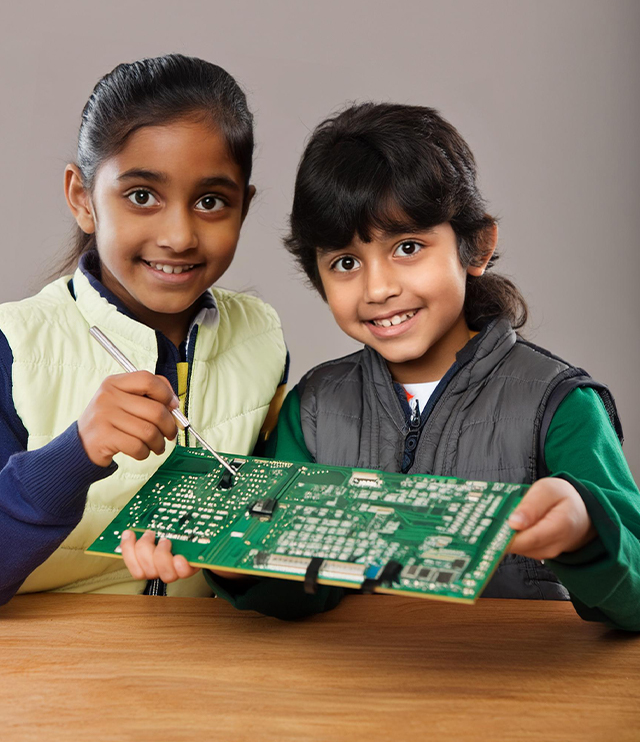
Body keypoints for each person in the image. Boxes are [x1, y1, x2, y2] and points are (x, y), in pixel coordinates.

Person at [190, 102, 639, 628]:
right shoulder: (313, 408)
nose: (379, 288)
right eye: (346, 262)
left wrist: (586, 531)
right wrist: (237, 566)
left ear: (476, 247)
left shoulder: (558, 404)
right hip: (357, 673)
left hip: (513, 674)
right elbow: (292, 592)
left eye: (407, 247)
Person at [0, 54, 287, 605]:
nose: (178, 236)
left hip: (205, 647)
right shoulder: (14, 345)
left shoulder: (261, 336)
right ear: (83, 198)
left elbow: (266, 545)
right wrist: (76, 453)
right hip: (50, 652)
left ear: (243, 207)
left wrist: (234, 556)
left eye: (210, 201)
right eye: (141, 196)